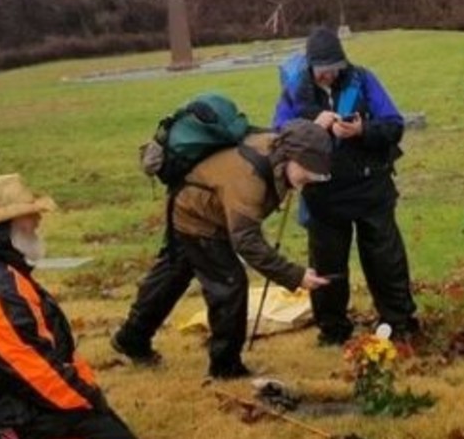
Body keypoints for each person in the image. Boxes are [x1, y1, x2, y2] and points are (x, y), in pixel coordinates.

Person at [112, 119, 333, 378]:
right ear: (290, 156)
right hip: (196, 216)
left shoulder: (276, 152)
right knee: (229, 284)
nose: (311, 176)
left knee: (172, 275)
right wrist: (294, 275)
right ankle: (226, 367)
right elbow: (247, 241)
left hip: (200, 207)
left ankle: (131, 338)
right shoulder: (249, 179)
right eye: (307, 169)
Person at [0, 174, 138, 439]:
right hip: (15, 415)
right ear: (4, 228)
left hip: (14, 403)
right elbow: (36, 373)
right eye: (29, 216)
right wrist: (90, 401)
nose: (38, 220)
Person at [272, 27, 419, 346]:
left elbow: (393, 125)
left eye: (334, 68)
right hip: (322, 194)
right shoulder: (294, 92)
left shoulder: (364, 80)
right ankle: (333, 329)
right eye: (321, 69)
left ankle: (399, 321)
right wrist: (314, 129)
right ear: (310, 67)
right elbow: (278, 137)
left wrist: (362, 130)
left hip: (370, 186)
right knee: (327, 264)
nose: (328, 75)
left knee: (385, 260)